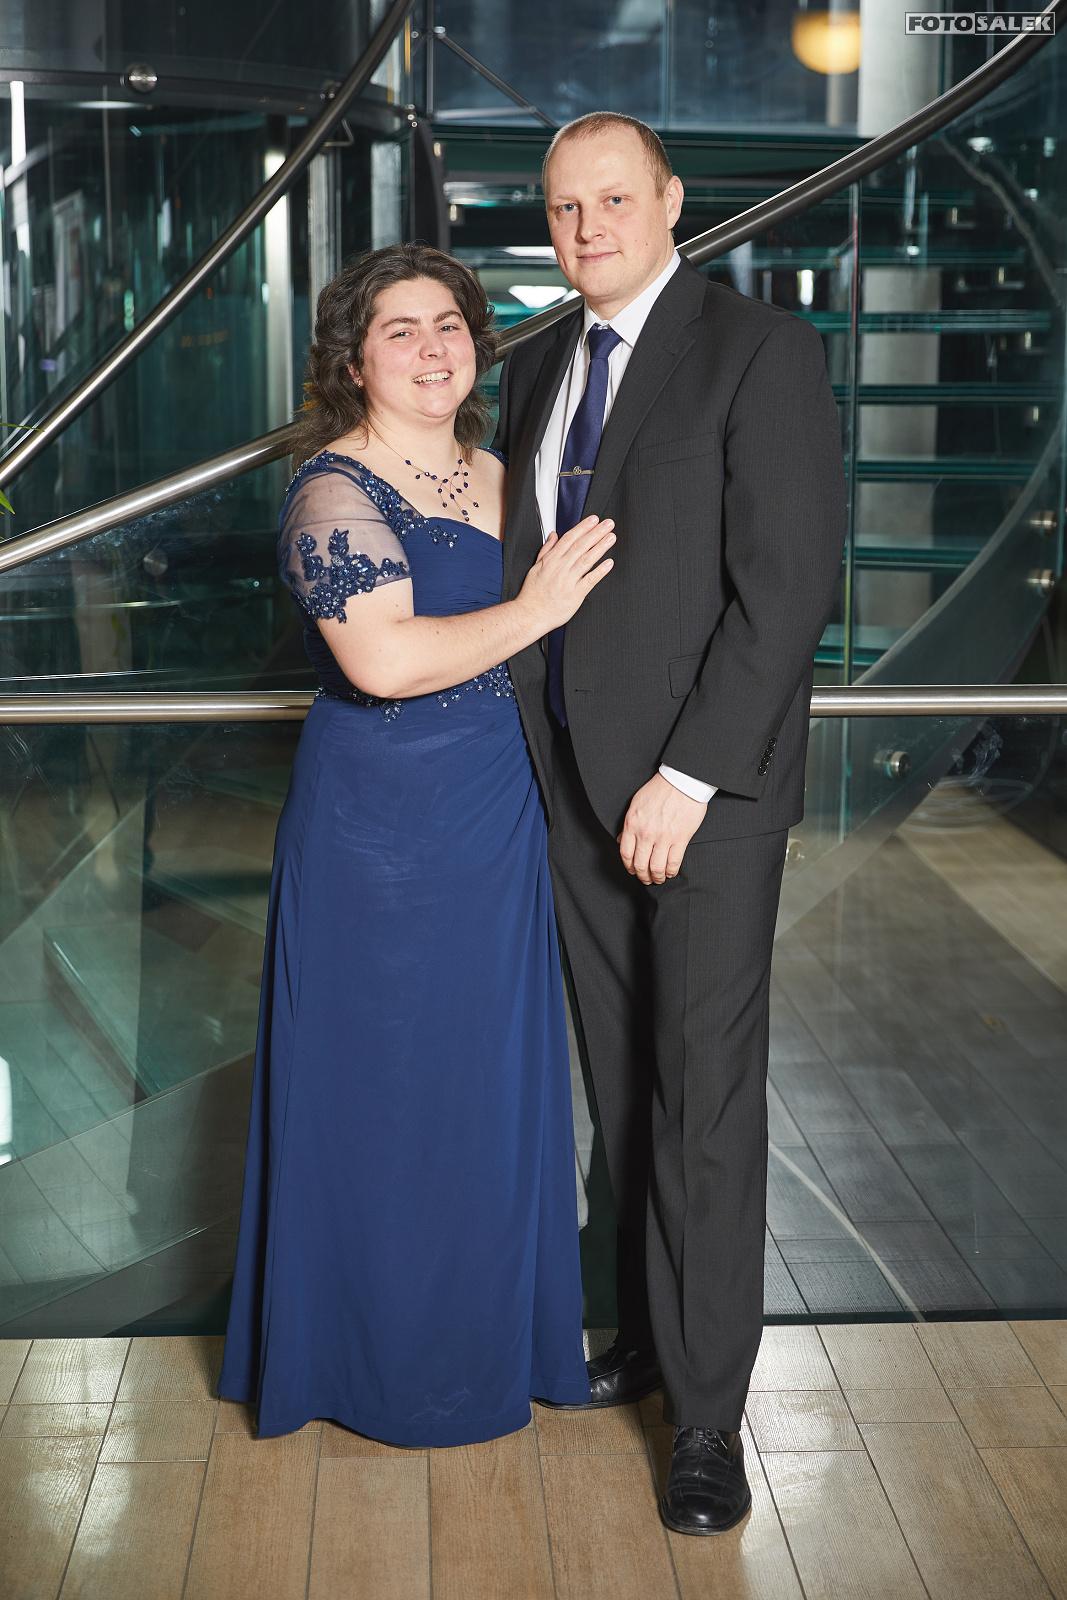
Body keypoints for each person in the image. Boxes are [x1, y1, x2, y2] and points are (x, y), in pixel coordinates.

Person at [494, 113, 847, 1533]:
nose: (586, 227)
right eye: (562, 207)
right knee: (627, 1080)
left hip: (696, 801)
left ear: (670, 201)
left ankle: (704, 1418)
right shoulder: (537, 364)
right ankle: (647, 1336)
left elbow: (786, 587)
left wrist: (687, 778)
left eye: (612, 200)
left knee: (700, 1098)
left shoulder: (756, 351)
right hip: (572, 786)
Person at [219, 243, 618, 1446]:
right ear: (352, 360)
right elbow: (383, 660)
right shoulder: (331, 490)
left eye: (448, 324)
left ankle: (494, 1342)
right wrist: (535, 609)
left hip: (498, 810)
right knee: (384, 1090)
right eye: (400, 329)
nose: (433, 347)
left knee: (484, 1087)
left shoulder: (500, 470)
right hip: (379, 830)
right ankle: (378, 1367)